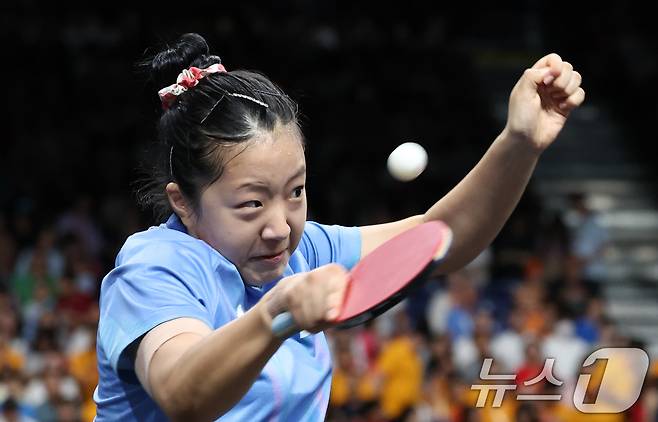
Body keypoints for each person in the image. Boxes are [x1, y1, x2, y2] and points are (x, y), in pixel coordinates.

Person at [93, 33, 585, 421]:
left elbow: (441, 238)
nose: (279, 227)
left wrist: (520, 142)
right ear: (184, 204)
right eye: (251, 204)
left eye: (296, 192)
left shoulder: (305, 252)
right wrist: (277, 316)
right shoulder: (155, 268)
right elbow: (183, 393)